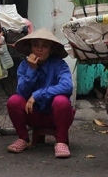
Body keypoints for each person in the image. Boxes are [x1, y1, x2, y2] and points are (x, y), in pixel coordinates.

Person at [5, 28, 74, 159]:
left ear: (51, 49)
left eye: (44, 46)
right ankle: (23, 139)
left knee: (61, 101)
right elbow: (22, 92)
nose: (39, 49)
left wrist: (38, 95)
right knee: (14, 101)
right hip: (33, 114)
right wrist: (32, 71)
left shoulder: (60, 65)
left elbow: (67, 86)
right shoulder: (24, 66)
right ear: (30, 47)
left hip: (56, 115)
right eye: (35, 45)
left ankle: (61, 142)